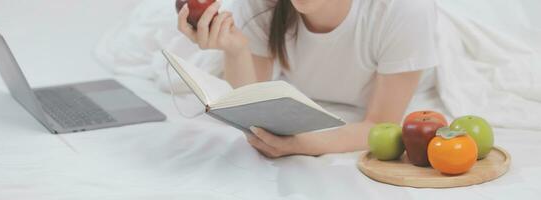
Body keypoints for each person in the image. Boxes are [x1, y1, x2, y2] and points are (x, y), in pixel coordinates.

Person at [177, 0, 438, 158]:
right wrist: (237, 51)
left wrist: (303, 144)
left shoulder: (404, 10)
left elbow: (381, 125)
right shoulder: (263, 5)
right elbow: (250, 105)